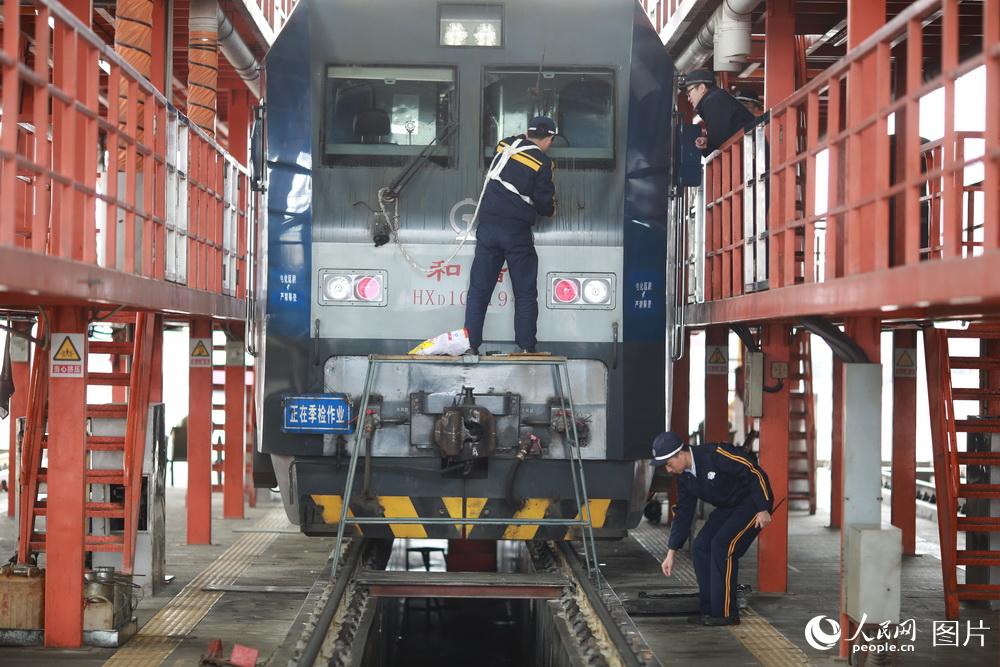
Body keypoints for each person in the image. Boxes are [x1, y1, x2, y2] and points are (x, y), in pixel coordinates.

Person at [652, 431, 774, 626]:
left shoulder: (716, 454)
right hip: (729, 507)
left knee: (722, 546)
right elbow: (684, 512)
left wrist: (763, 507)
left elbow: (754, 472)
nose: (668, 470)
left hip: (752, 503)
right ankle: (709, 610)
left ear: (680, 454)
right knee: (701, 545)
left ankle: (726, 613)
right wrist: (671, 552)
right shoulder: (684, 477)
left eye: (668, 464)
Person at [463, 116, 557, 354]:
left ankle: (471, 346)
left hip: (488, 228)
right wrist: (550, 206)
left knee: (479, 289)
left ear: (527, 133)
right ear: (549, 138)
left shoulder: (504, 145)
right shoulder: (542, 163)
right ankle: (526, 347)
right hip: (515, 231)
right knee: (524, 292)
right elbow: (545, 205)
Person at [682, 69, 756, 156]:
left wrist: (707, 147)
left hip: (748, 156)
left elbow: (719, 138)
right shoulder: (716, 98)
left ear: (702, 88)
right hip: (748, 153)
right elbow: (723, 133)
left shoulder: (713, 100)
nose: (688, 98)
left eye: (689, 92)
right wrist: (707, 141)